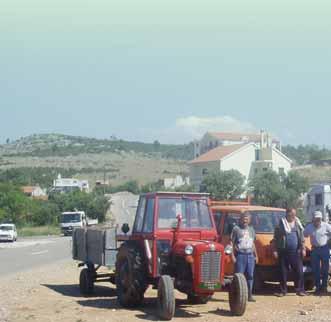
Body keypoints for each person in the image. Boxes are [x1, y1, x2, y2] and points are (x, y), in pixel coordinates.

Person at [273, 207, 306, 297]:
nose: (293, 216)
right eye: (292, 214)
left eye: (294, 214)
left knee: (299, 271)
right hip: (283, 252)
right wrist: (275, 250)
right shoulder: (281, 224)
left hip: (296, 252)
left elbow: (302, 238)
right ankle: (282, 291)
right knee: (283, 272)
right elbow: (275, 239)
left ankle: (300, 290)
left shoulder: (297, 223)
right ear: (287, 214)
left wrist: (303, 249)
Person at [231, 211, 258, 302]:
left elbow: (253, 243)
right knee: (239, 276)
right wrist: (232, 256)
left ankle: (249, 295)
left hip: (250, 255)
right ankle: (238, 297)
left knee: (250, 276)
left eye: (247, 219)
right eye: (243, 219)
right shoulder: (236, 229)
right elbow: (231, 243)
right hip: (240, 255)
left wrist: (256, 256)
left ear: (249, 220)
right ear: (241, 219)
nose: (245, 221)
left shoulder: (251, 230)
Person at [304, 210, 331, 295]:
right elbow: (304, 234)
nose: (317, 221)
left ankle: (324, 287)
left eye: (319, 219)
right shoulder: (309, 227)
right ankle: (317, 288)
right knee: (316, 269)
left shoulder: (326, 226)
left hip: (325, 249)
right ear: (313, 219)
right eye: (316, 219)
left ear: (321, 219)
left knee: (325, 269)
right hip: (314, 250)